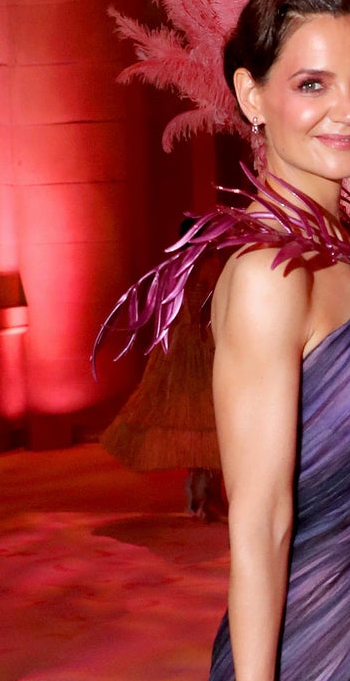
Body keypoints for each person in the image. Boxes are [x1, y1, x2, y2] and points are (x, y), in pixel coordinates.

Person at [97, 0, 350, 680]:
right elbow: (259, 523)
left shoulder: (347, 252)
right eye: (312, 84)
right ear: (252, 96)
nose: (349, 111)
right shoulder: (269, 275)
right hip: (320, 646)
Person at [99, 218, 224, 521]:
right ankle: (206, 492)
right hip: (201, 344)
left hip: (177, 343)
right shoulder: (211, 266)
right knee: (209, 417)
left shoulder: (174, 268)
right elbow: (210, 310)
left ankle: (199, 490)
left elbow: (167, 310)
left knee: (196, 418)